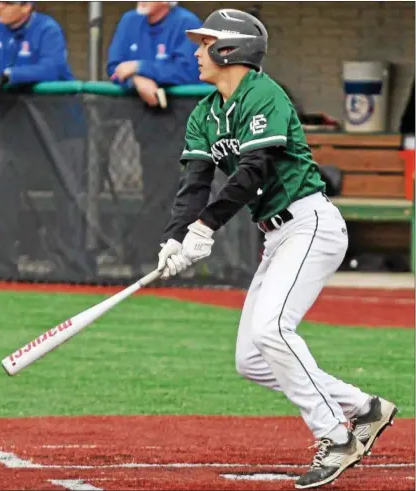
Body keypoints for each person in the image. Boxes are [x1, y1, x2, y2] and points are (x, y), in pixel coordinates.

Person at [156, 9, 398, 490]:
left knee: (272, 329)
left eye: (205, 43)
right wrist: (176, 236)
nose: (196, 52)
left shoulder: (265, 94)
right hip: (276, 234)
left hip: (310, 224)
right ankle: (364, 408)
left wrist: (208, 226)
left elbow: (255, 169)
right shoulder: (205, 113)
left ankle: (338, 435)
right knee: (252, 358)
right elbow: (195, 183)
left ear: (231, 49)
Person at [107, 1, 202, 107]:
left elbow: (188, 72)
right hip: (135, 112)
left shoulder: (188, 22)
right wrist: (135, 81)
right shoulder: (129, 20)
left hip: (181, 110)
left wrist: (139, 67)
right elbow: (114, 69)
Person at [0, 1, 74, 104]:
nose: (0, 6)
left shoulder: (48, 29)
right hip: (11, 108)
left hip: (52, 106)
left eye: (8, 3)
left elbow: (51, 69)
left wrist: (9, 76)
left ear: (26, 7)